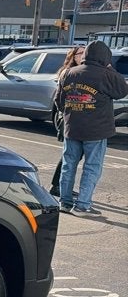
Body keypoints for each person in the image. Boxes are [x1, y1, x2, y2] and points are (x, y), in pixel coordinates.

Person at [57, 40, 128, 217]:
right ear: (105, 57)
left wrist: (70, 112)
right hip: (96, 130)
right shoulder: (106, 74)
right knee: (92, 167)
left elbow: (58, 100)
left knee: (68, 165)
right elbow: (122, 90)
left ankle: (64, 202)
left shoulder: (68, 73)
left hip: (72, 127)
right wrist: (110, 68)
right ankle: (82, 205)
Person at [49, 46, 84, 196]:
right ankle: (57, 186)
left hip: (82, 121)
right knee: (70, 155)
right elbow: (58, 99)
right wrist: (66, 113)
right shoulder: (67, 73)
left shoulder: (86, 72)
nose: (83, 56)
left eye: (85, 52)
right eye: (80, 53)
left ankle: (62, 185)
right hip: (70, 119)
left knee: (75, 155)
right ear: (73, 56)